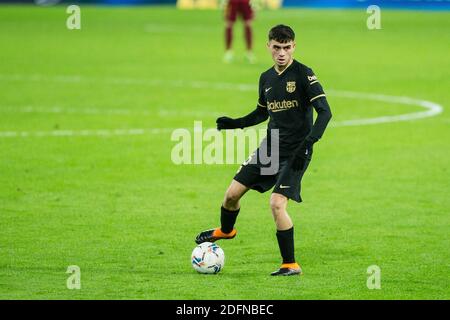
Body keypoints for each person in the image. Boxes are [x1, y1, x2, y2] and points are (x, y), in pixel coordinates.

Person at [195, 25, 332, 276]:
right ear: (268, 46)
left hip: (296, 152)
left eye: (287, 47)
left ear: (294, 47)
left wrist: (310, 141)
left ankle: (290, 264)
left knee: (277, 203)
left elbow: (325, 111)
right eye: (277, 47)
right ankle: (226, 230)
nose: (281, 53)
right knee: (231, 195)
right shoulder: (266, 78)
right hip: (270, 148)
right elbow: (261, 111)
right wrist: (237, 124)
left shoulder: (304, 74)